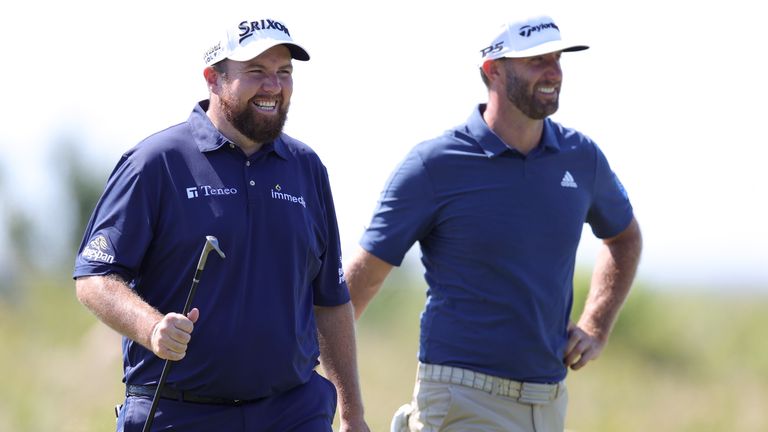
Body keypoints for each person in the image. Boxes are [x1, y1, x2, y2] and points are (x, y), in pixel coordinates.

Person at [344, 14, 643, 432]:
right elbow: (363, 279)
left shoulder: (582, 157)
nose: (553, 72)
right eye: (536, 61)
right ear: (493, 71)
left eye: (557, 58)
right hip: (460, 398)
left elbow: (624, 238)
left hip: (549, 402)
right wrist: (321, 382)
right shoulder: (434, 165)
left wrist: (596, 324)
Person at [73, 16, 369, 432]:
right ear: (213, 79)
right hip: (180, 412)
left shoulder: (307, 169)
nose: (273, 86)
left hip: (292, 412)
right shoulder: (156, 163)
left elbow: (331, 300)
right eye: (256, 72)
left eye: (284, 73)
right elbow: (95, 277)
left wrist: (353, 416)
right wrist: (152, 327)